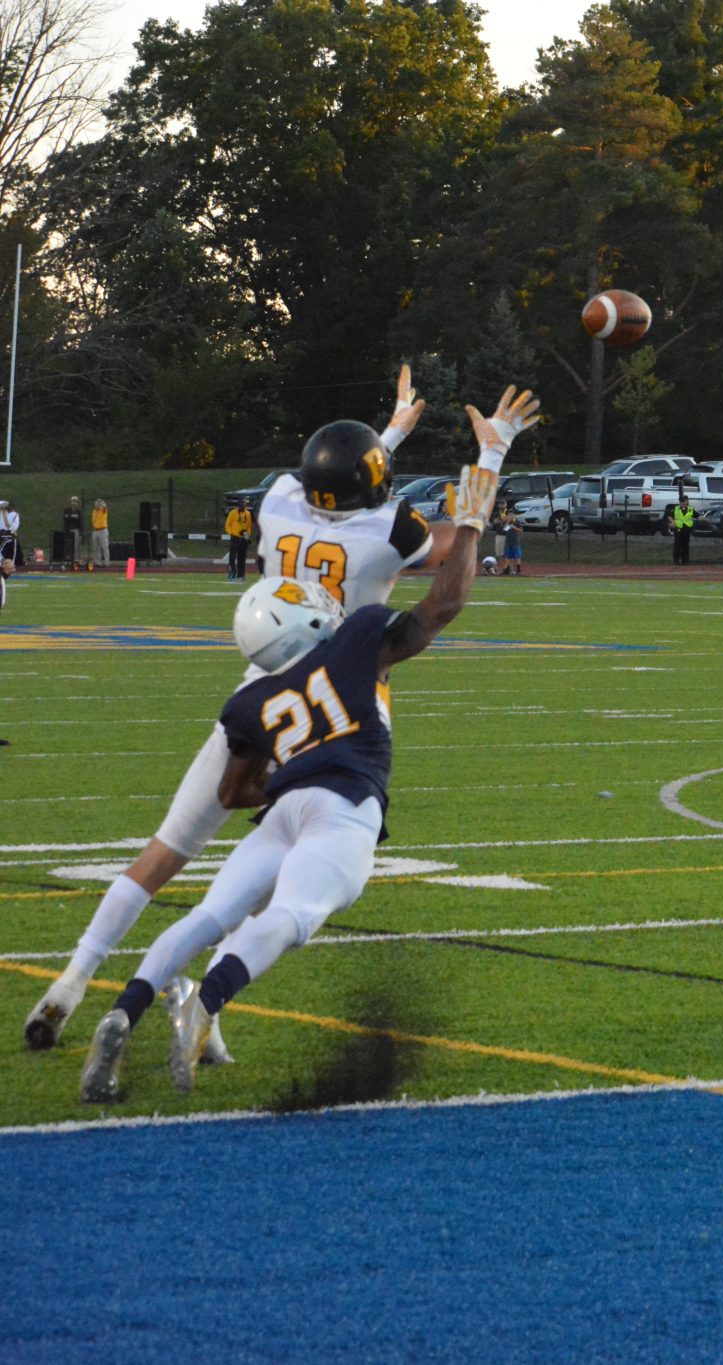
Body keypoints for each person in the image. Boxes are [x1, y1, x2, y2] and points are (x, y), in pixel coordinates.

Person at [25, 366, 453, 1055]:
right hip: (342, 694)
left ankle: (73, 981)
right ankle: (208, 1002)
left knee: (167, 850)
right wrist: (405, 445)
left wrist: (388, 434)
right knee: (285, 864)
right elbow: (391, 522)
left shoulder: (279, 499)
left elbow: (338, 490)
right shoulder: (392, 528)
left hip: (260, 690)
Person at [75, 434, 516, 1103]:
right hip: (342, 808)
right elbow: (442, 605)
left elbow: (233, 790)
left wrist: (279, 769)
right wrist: (476, 521)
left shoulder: (249, 699)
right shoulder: (358, 642)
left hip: (280, 812)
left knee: (209, 914)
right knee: (294, 913)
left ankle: (122, 1011)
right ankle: (208, 1000)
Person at [223, 498, 253, 581]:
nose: (244, 505)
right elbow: (228, 524)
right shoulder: (233, 513)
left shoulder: (248, 513)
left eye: (245, 503)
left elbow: (249, 526)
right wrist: (231, 533)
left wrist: (247, 535)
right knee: (232, 557)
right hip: (235, 537)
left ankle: (241, 575)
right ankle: (232, 574)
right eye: (243, 503)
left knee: (242, 557)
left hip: (244, 538)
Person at [671, 491, 695, 564]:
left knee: (686, 546)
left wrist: (704, 519)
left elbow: (697, 515)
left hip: (687, 530)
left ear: (686, 502)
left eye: (684, 501)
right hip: (678, 529)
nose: (682, 503)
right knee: (677, 545)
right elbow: (669, 515)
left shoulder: (690, 509)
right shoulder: (676, 508)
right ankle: (676, 561)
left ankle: (685, 561)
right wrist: (673, 522)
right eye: (681, 502)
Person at [61, 497, 83, 569]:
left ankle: (76, 560)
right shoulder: (66, 510)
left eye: (75, 501)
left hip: (76, 530)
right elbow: (66, 519)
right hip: (68, 530)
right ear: (70, 502)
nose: (74, 503)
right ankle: (67, 559)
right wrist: (73, 517)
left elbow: (80, 522)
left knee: (76, 546)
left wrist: (81, 532)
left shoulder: (79, 511)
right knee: (67, 546)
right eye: (73, 501)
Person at [89, 499, 110, 569]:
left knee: (104, 547)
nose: (97, 505)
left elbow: (105, 507)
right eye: (96, 504)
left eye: (98, 504)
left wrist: (103, 504)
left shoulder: (103, 510)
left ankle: (106, 562)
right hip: (95, 530)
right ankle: (98, 562)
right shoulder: (94, 512)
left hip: (102, 530)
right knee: (96, 547)